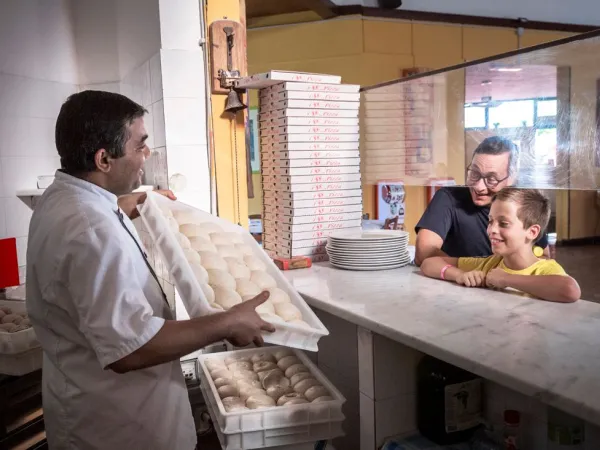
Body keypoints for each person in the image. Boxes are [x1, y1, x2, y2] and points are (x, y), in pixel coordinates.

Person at [26, 91, 275, 450]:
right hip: (120, 427)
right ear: (104, 159)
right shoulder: (92, 230)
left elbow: (89, 230)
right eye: (140, 146)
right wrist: (228, 322)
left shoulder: (63, 198)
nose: (147, 156)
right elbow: (131, 349)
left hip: (84, 400)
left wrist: (128, 205)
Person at [420, 188, 580, 303]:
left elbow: (570, 290)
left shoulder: (545, 271)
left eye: (503, 223)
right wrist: (459, 275)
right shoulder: (490, 263)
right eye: (490, 221)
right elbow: (429, 264)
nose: (491, 230)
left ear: (532, 232)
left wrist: (506, 279)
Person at [414, 136, 548, 266]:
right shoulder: (448, 197)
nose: (479, 187)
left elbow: (544, 258)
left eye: (492, 179)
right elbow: (423, 253)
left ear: (512, 178)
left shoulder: (526, 204)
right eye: (474, 174)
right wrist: (476, 272)